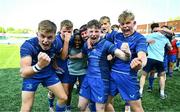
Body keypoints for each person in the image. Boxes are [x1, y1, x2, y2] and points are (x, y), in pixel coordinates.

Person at [75, 19, 131, 112]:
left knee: (100, 109)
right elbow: (83, 54)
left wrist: (127, 53)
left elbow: (124, 57)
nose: (93, 34)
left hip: (101, 80)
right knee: (81, 106)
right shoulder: (86, 44)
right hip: (88, 78)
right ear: (87, 32)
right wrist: (71, 56)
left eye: (96, 31)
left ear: (100, 31)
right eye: (91, 31)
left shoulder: (106, 44)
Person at [20, 20, 67, 112]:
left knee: (63, 98)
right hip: (31, 75)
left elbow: (57, 55)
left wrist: (55, 66)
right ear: (37, 34)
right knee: (26, 107)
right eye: (42, 36)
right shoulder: (28, 45)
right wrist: (39, 66)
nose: (45, 40)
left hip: (48, 73)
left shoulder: (57, 43)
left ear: (54, 36)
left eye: (49, 37)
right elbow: (23, 73)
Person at [107, 10, 147, 112]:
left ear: (134, 23)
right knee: (104, 102)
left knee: (137, 108)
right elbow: (103, 40)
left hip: (127, 77)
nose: (125, 26)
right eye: (122, 24)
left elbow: (142, 55)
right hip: (112, 75)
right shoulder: (116, 35)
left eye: (128, 23)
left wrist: (139, 62)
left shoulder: (140, 38)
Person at [139, 23, 172, 100]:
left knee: (144, 75)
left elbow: (144, 41)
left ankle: (140, 91)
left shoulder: (152, 35)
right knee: (162, 76)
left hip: (150, 58)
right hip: (159, 60)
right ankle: (162, 93)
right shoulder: (165, 38)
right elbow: (170, 48)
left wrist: (148, 41)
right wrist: (168, 46)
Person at [47, 19, 73, 111]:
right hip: (54, 68)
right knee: (52, 92)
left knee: (65, 94)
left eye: (69, 31)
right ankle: (50, 105)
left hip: (65, 68)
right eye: (64, 31)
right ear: (60, 30)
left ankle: (61, 108)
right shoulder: (56, 40)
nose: (66, 33)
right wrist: (66, 41)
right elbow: (62, 56)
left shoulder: (72, 39)